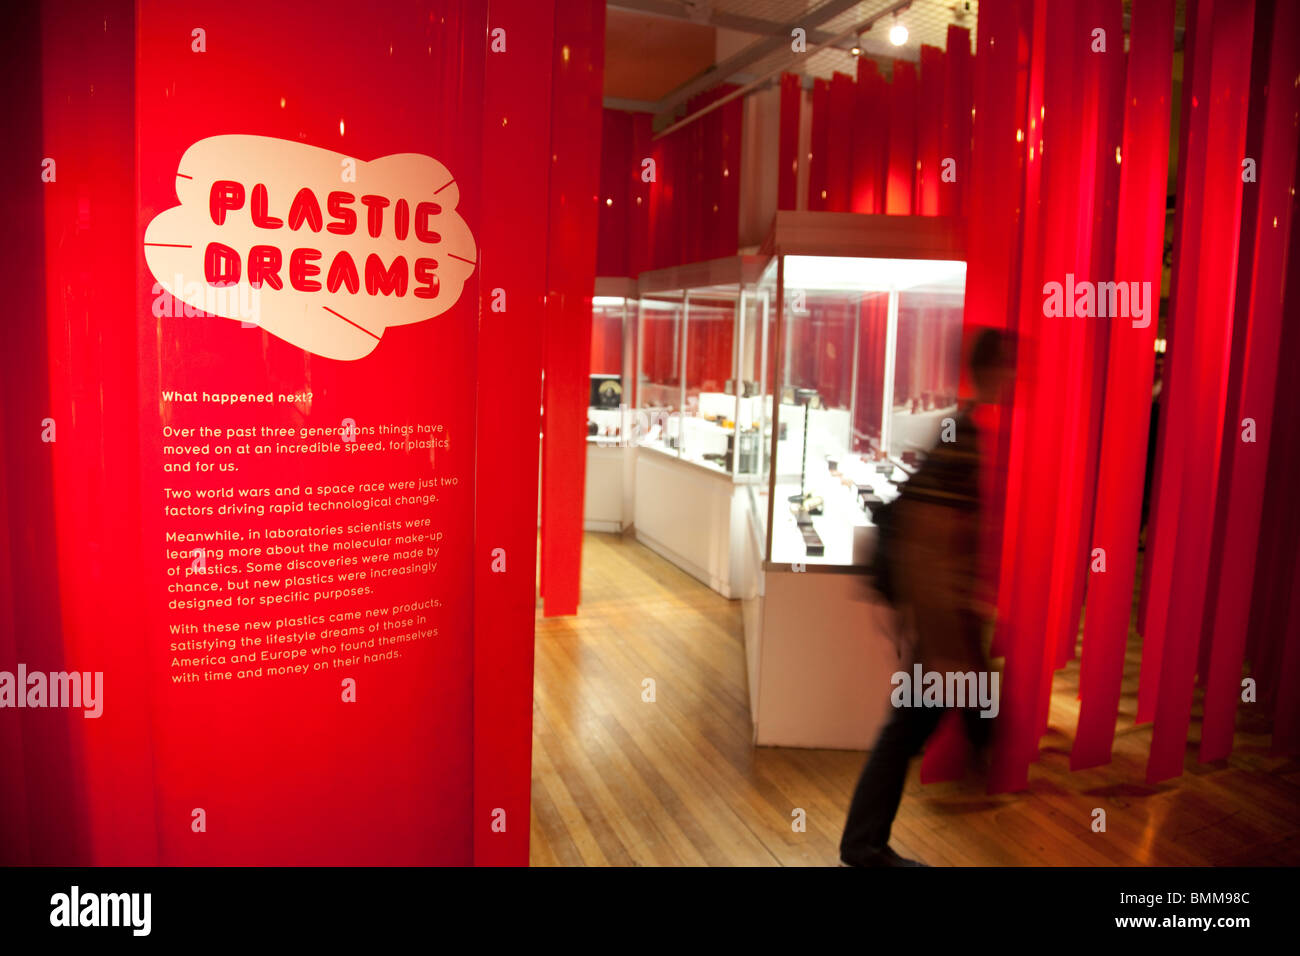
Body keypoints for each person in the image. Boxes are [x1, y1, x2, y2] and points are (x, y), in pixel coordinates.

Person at [839, 328, 1015, 867]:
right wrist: (944, 639)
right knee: (906, 730)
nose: (1015, 378)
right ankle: (863, 844)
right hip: (945, 624)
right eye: (1009, 366)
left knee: (910, 727)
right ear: (993, 370)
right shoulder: (963, 436)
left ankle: (865, 842)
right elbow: (930, 540)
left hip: (946, 621)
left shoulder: (963, 429)